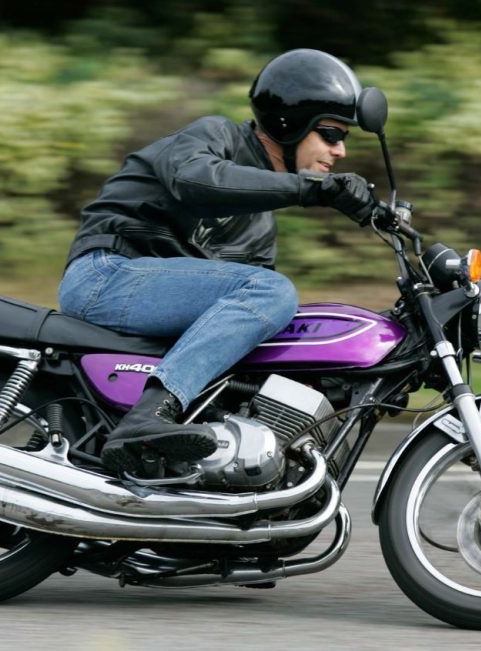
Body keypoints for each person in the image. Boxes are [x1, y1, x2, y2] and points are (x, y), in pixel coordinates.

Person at [58, 49, 378, 476]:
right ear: (291, 123)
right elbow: (197, 181)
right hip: (105, 274)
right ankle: (149, 416)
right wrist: (313, 189)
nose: (340, 151)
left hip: (149, 304)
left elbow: (242, 326)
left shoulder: (259, 229)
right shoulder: (215, 135)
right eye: (331, 134)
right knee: (273, 290)